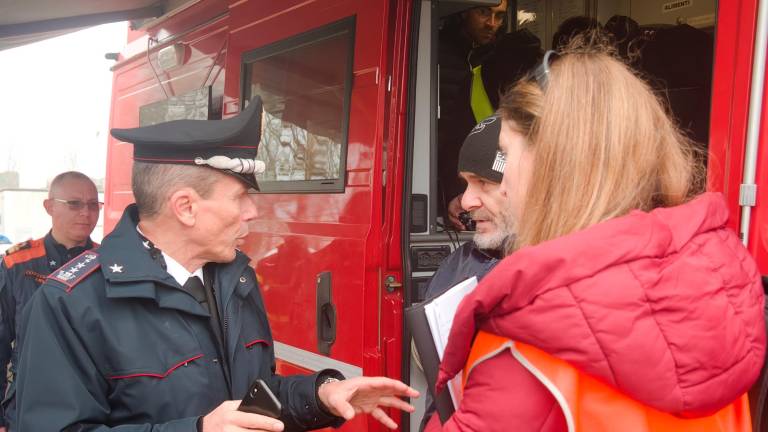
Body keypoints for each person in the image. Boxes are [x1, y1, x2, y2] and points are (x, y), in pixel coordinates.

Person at [14, 98, 418, 431]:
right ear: (186, 207)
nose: (251, 212)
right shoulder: (70, 303)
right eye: (240, 197)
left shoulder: (234, 277)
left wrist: (320, 396)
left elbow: (255, 400)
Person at [425, 39, 766, 431]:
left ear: (557, 164)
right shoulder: (720, 292)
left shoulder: (524, 335)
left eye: (506, 156)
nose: (501, 189)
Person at [418, 113, 512, 431]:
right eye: (466, 184)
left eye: (483, 182)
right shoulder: (460, 264)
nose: (466, 201)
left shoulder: (571, 280)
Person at [0, 170, 100, 431]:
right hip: (28, 400)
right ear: (49, 206)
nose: (86, 213)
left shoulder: (107, 263)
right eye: (75, 204)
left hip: (91, 403)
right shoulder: (17, 264)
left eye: (93, 205)